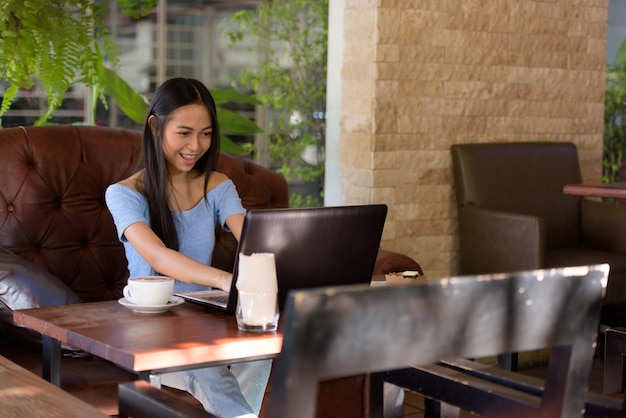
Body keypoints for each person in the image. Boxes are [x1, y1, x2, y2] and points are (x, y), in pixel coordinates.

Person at [105, 77, 270, 418]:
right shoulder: (123, 194)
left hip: (205, 320)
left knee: (263, 346)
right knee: (208, 369)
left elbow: (254, 241)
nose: (196, 145)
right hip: (150, 327)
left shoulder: (218, 186)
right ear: (155, 126)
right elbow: (157, 256)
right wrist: (226, 280)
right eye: (184, 133)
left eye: (206, 133)